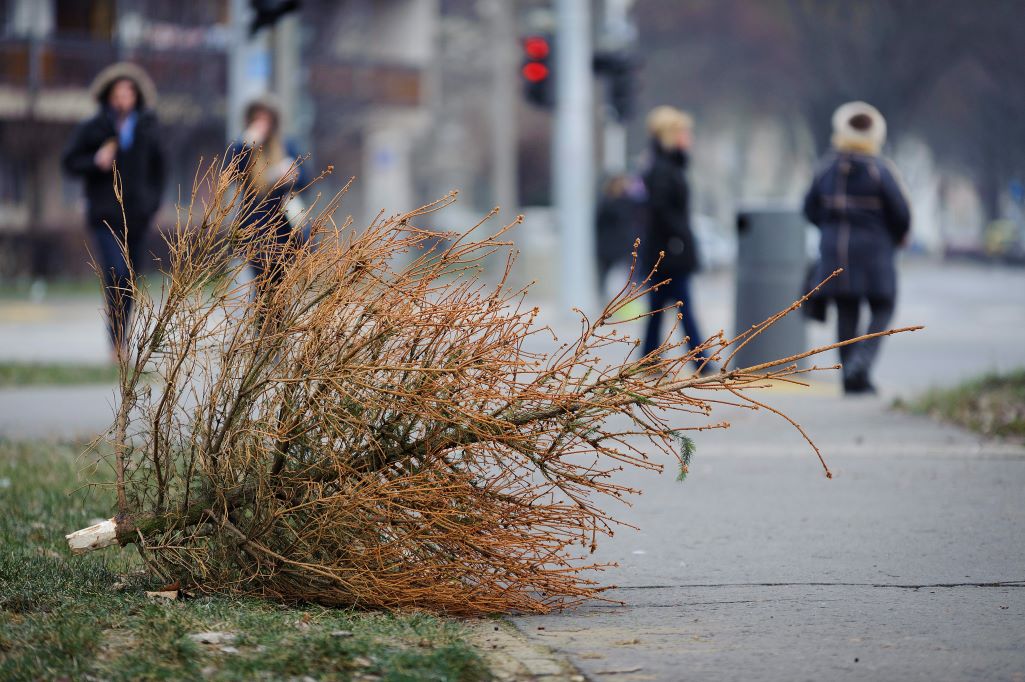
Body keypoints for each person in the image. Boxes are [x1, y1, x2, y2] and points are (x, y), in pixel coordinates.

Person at [803, 101, 911, 395]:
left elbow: (809, 208)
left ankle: (850, 377)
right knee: (883, 306)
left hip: (835, 251)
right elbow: (901, 214)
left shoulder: (826, 169)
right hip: (875, 252)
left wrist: (830, 226)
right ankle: (860, 366)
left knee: (846, 312)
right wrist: (895, 235)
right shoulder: (880, 170)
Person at [62, 62, 165, 359]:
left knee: (130, 279)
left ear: (137, 96)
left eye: (128, 93)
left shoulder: (147, 128)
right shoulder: (93, 128)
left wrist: (152, 203)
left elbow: (160, 171)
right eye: (117, 94)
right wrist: (95, 161)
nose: (123, 100)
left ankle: (120, 340)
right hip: (104, 215)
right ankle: (115, 341)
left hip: (137, 216)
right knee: (115, 272)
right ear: (108, 96)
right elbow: (69, 162)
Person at [641, 106, 710, 370]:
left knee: (659, 311)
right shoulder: (663, 169)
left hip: (667, 251)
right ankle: (701, 360)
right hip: (668, 252)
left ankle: (649, 360)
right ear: (671, 134)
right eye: (684, 132)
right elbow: (662, 210)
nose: (688, 136)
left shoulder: (668, 166)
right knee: (682, 307)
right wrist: (679, 239)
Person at [227, 96, 309, 302]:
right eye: (258, 119)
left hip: (282, 224)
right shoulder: (243, 145)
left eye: (266, 119)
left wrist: (291, 177)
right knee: (261, 282)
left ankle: (276, 330)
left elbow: (306, 179)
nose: (262, 124)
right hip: (253, 224)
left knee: (280, 283)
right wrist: (246, 146)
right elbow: (230, 176)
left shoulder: (286, 145)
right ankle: (264, 329)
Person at [595, 174, 640, 295]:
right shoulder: (609, 203)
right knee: (611, 281)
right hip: (611, 249)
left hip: (620, 249)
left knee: (622, 279)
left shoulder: (625, 202)